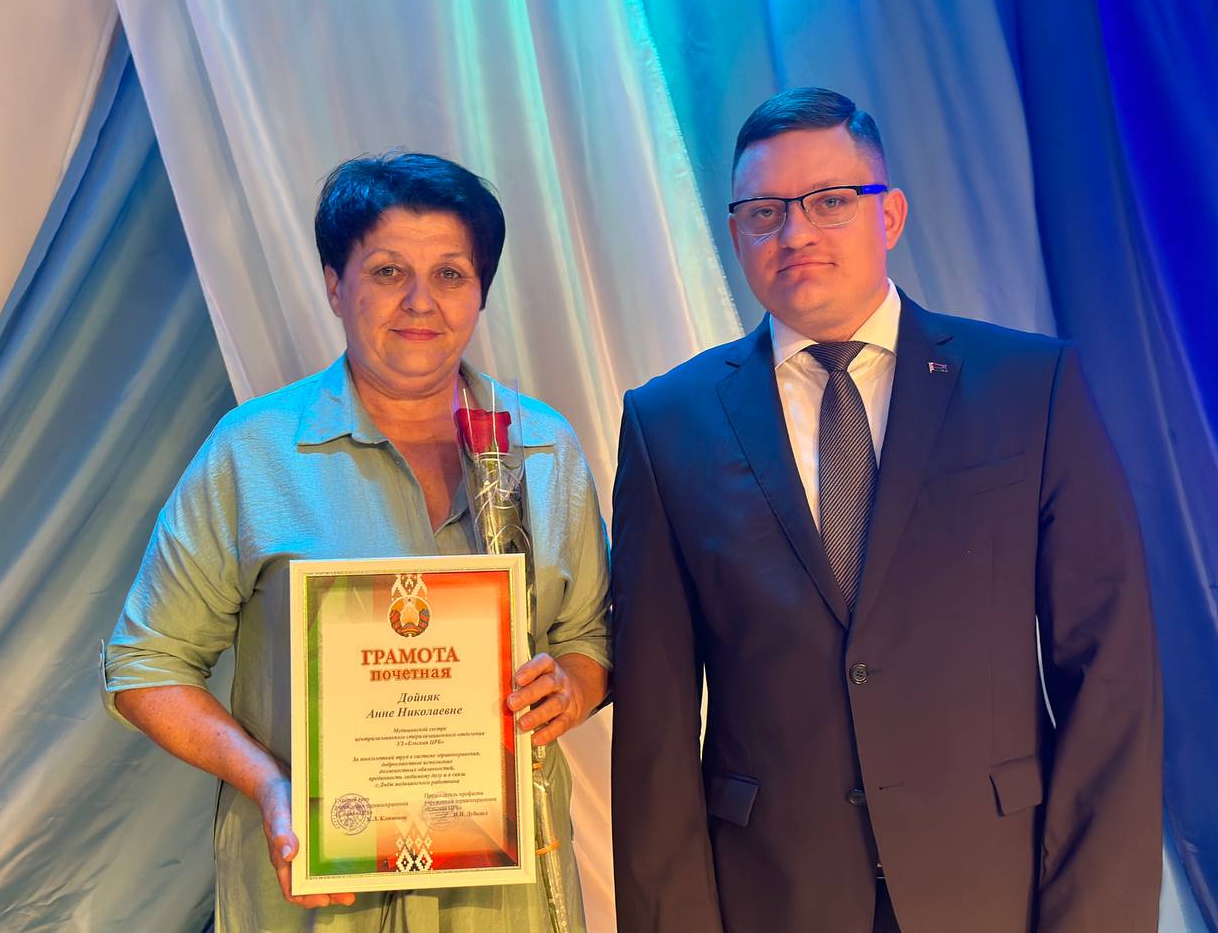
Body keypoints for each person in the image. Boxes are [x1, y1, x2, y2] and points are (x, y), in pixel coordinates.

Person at [610, 88, 1162, 933]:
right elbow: (654, 726)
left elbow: (1110, 676)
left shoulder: (1030, 389)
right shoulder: (668, 423)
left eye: (830, 201)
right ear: (736, 233)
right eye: (764, 212)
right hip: (773, 897)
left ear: (890, 214)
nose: (795, 233)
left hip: (996, 887)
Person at [103, 152, 612, 932]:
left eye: (450, 274)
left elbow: (592, 637)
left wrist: (570, 689)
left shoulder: (544, 449)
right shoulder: (254, 452)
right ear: (335, 286)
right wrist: (268, 783)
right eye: (387, 271)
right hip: (314, 895)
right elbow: (145, 665)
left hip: (504, 900)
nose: (420, 301)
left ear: (480, 292)